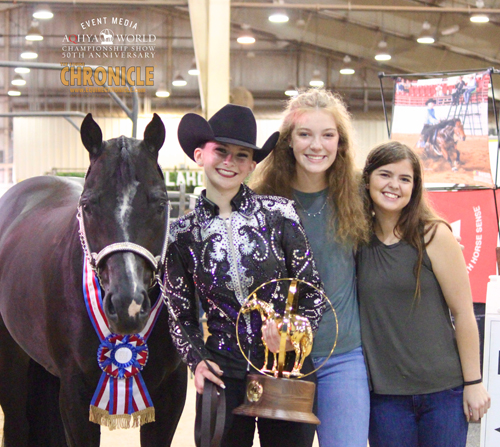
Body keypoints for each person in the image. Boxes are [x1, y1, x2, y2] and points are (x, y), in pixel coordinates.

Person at [166, 104, 325, 447]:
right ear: (199, 155)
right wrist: (197, 360)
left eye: (241, 155)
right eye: (220, 151)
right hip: (222, 370)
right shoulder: (181, 235)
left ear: (252, 165)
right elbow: (179, 314)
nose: (229, 162)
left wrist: (290, 331)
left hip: (286, 367)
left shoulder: (280, 213)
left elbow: (311, 290)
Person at [250, 89, 370, 447]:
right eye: (305, 134)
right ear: (288, 142)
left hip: (343, 356)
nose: (316, 146)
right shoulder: (261, 202)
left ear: (340, 142)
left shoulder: (358, 195)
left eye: (327, 135)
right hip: (283, 359)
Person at [357, 141, 491, 447]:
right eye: (385, 175)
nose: (394, 185)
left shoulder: (433, 234)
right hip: (385, 399)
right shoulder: (356, 240)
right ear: (368, 180)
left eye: (405, 179)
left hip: (443, 393)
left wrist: (474, 382)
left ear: (415, 188)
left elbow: (463, 313)